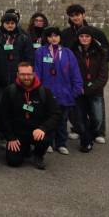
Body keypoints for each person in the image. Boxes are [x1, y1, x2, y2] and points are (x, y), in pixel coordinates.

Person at [0, 62, 61, 169]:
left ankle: (38, 155)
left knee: (46, 137)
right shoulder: (9, 91)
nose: (26, 77)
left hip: (37, 131)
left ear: (34, 74)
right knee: (13, 161)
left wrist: (43, 128)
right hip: (18, 133)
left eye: (29, 74)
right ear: (17, 74)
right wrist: (10, 137)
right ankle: (25, 149)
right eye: (23, 74)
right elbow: (3, 116)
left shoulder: (44, 92)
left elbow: (56, 114)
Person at [34, 26, 83, 155]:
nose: (53, 38)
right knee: (47, 119)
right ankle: (48, 142)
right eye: (50, 36)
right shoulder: (40, 52)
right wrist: (38, 89)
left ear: (60, 37)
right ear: (47, 38)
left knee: (62, 120)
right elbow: (37, 72)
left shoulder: (67, 52)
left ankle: (61, 143)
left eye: (56, 35)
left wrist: (76, 89)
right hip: (47, 92)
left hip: (65, 93)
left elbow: (75, 72)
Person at [73, 26, 109, 150]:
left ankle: (94, 133)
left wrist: (90, 88)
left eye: (87, 36)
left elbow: (103, 76)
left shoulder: (101, 52)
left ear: (91, 38)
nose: (84, 39)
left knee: (97, 118)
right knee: (80, 116)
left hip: (95, 90)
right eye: (81, 36)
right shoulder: (73, 51)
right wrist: (78, 87)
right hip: (79, 89)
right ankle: (86, 140)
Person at [0, 12, 34, 87]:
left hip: (18, 75)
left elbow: (29, 56)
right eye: (7, 23)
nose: (10, 25)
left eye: (12, 23)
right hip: (0, 77)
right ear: (3, 23)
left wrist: (25, 72)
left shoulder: (24, 37)